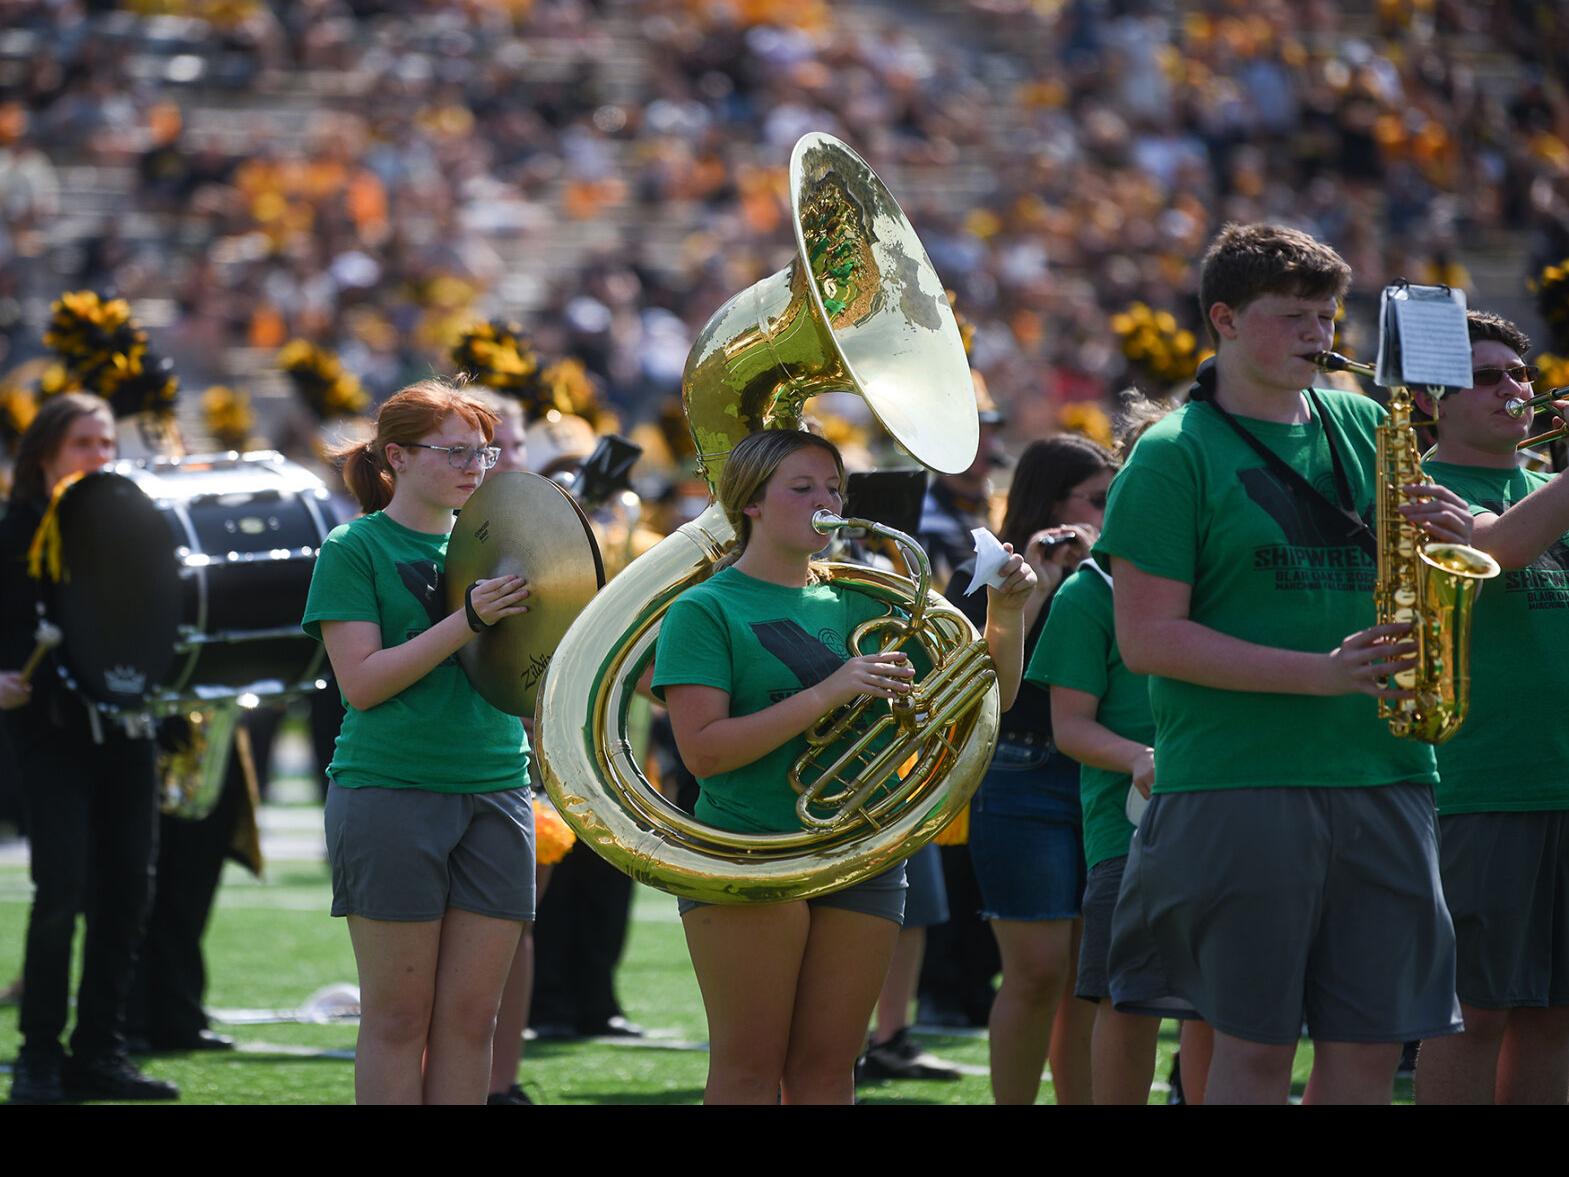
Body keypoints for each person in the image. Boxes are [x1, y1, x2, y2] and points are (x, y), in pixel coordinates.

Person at [1096, 222, 1476, 1104]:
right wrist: (1317, 672)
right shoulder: (1170, 453)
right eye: (1293, 316)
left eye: (1327, 315)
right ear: (1223, 320)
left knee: (1371, 1050)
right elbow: (1148, 638)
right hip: (1239, 783)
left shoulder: (1366, 423)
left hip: (1387, 770)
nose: (1318, 334)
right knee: (1256, 1051)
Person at [651, 428, 1034, 1104]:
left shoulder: (867, 597)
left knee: (830, 1070)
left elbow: (989, 696)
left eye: (833, 487)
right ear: (751, 504)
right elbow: (704, 751)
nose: (826, 502)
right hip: (749, 849)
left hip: (861, 851)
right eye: (801, 488)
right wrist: (829, 691)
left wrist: (1007, 610)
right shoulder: (704, 608)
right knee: (747, 1067)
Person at [301, 378, 535, 1105]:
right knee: (399, 1018)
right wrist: (466, 619)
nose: (475, 466)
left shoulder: (503, 544)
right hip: (390, 788)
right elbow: (362, 683)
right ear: (396, 456)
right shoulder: (354, 546)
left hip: (497, 784)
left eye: (483, 451)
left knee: (473, 1020)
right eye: (455, 451)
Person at [1034, 397, 1214, 1106]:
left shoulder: (1227, 573)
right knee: (1127, 999)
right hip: (1130, 831)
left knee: (1214, 1006)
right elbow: (1069, 726)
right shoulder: (1089, 591)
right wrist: (1140, 756)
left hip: (1231, 807)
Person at [2, 392, 178, 1103]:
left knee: (128, 893)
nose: (100, 457)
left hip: (129, 735)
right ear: (45, 453)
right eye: (83, 443)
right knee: (62, 892)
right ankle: (38, 1056)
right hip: (50, 736)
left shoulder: (127, 530)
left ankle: (99, 1052)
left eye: (107, 444)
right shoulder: (12, 532)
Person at [1412, 311, 1569, 1104]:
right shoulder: (1417, 488)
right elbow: (1496, 550)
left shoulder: (1548, 489)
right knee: (1473, 1013)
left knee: (1554, 1016)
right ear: (1427, 399)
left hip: (1560, 778)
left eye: (1518, 373)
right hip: (1481, 783)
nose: (1513, 388)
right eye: (1486, 376)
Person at [947, 434, 1111, 1104]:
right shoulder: (990, 566)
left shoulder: (1118, 567)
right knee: (1037, 971)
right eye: (1098, 498)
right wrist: (1035, 587)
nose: (1111, 509)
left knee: (1087, 980)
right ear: (1051, 501)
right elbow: (970, 685)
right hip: (1020, 770)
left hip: (1102, 771)